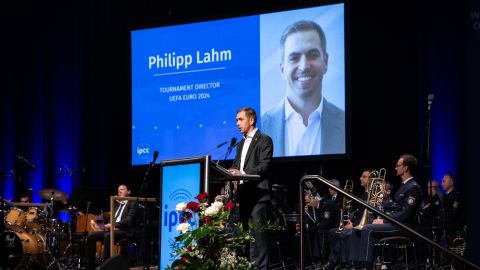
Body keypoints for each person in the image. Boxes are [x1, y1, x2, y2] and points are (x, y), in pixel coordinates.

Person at [261, 20, 345, 157]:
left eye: (312, 55)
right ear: (282, 69)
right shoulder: (262, 126)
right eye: (294, 58)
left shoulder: (344, 122)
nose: (304, 66)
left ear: (325, 62)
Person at [347, 154, 423, 268]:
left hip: (403, 227)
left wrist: (385, 221)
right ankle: (355, 264)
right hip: (395, 223)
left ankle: (367, 266)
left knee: (367, 228)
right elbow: (395, 207)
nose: (395, 167)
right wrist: (382, 200)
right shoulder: (404, 185)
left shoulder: (413, 187)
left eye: (398, 165)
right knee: (359, 229)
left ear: (406, 168)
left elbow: (405, 214)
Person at [229, 107, 273, 270]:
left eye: (240, 119)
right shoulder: (240, 143)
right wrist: (230, 172)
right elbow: (236, 165)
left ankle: (262, 267)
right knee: (248, 237)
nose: (237, 123)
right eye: (236, 120)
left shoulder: (264, 140)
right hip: (244, 195)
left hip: (258, 196)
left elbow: (264, 166)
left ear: (251, 120)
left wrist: (243, 173)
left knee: (259, 238)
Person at [86, 184, 139, 267]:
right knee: (91, 235)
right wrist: (104, 225)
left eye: (122, 189)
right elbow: (111, 219)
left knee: (108, 235)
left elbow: (128, 220)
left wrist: (115, 226)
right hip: (113, 230)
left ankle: (104, 265)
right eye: (118, 190)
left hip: (125, 231)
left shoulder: (133, 202)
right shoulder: (117, 205)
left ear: (129, 191)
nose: (119, 191)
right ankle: (90, 264)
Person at [441, 173, 464, 242]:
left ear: (451, 182)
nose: (442, 184)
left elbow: (453, 213)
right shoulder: (444, 196)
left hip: (452, 228)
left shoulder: (456, 196)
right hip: (444, 226)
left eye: (444, 181)